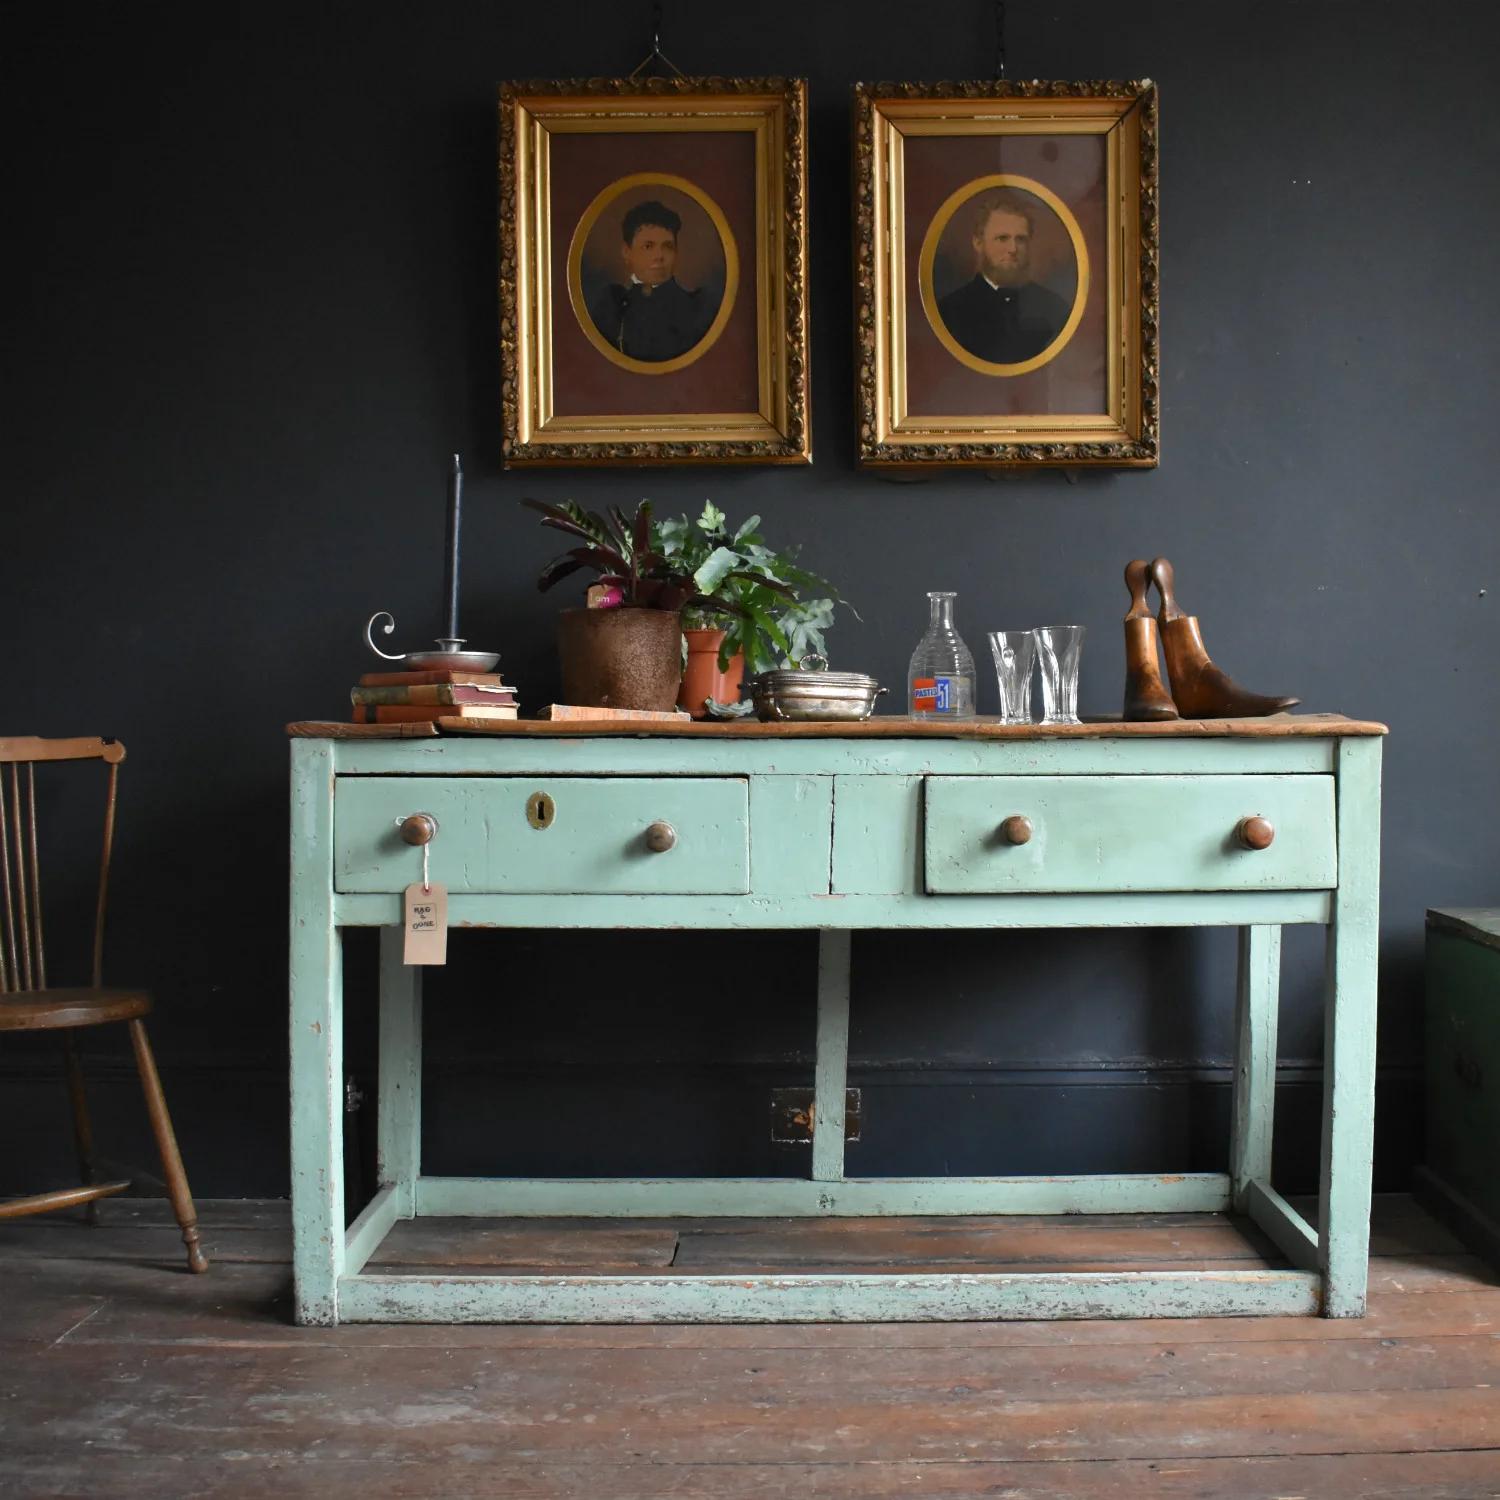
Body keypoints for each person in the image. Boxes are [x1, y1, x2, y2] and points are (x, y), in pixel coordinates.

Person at [936, 192, 1071, 365]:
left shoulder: (1055, 308)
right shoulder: (949, 311)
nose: (1013, 249)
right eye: (1002, 238)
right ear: (978, 243)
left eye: (1020, 239)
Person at [588, 199, 718, 363]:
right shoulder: (612, 307)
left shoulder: (700, 308)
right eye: (648, 246)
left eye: (667, 246)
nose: (659, 256)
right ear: (626, 252)